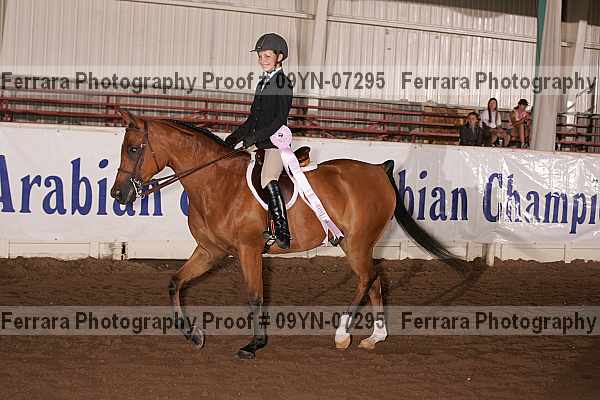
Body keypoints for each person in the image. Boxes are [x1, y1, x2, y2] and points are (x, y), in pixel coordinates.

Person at [224, 33, 293, 249]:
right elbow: (253, 118)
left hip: (274, 143)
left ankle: (282, 230)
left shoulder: (282, 82)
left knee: (268, 178)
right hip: (258, 142)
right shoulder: (263, 82)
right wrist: (233, 138)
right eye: (260, 56)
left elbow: (279, 120)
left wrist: (254, 138)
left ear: (279, 57)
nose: (262, 60)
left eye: (267, 56)